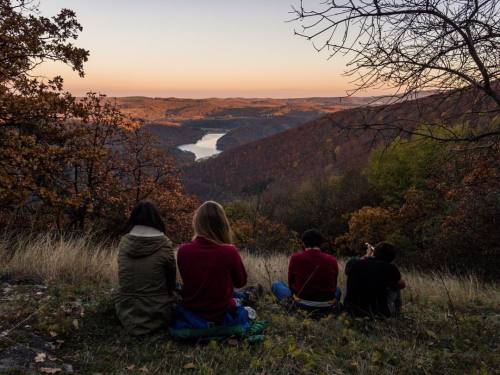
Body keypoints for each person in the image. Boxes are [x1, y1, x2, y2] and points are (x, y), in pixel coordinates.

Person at [176, 201, 248, 323]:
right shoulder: (229, 251)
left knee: (238, 295)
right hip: (221, 313)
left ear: (197, 223)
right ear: (223, 224)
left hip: (193, 311)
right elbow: (241, 282)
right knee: (239, 296)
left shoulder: (183, 250)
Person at [114, 201, 178, 336]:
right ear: (156, 219)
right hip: (157, 312)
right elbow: (171, 281)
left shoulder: (123, 243)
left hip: (126, 312)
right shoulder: (164, 245)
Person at [272, 229, 341, 311]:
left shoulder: (296, 258)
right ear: (320, 243)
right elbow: (333, 286)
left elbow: (291, 285)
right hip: (326, 306)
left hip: (301, 304)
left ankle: (287, 306)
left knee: (276, 284)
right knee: (338, 290)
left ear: (304, 243)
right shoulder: (332, 260)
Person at [344, 241, 406, 317]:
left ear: (374, 253)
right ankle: (397, 314)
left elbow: (347, 271)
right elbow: (402, 285)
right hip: (377, 313)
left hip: (351, 311)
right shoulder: (390, 268)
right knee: (396, 285)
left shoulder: (353, 263)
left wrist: (367, 255)